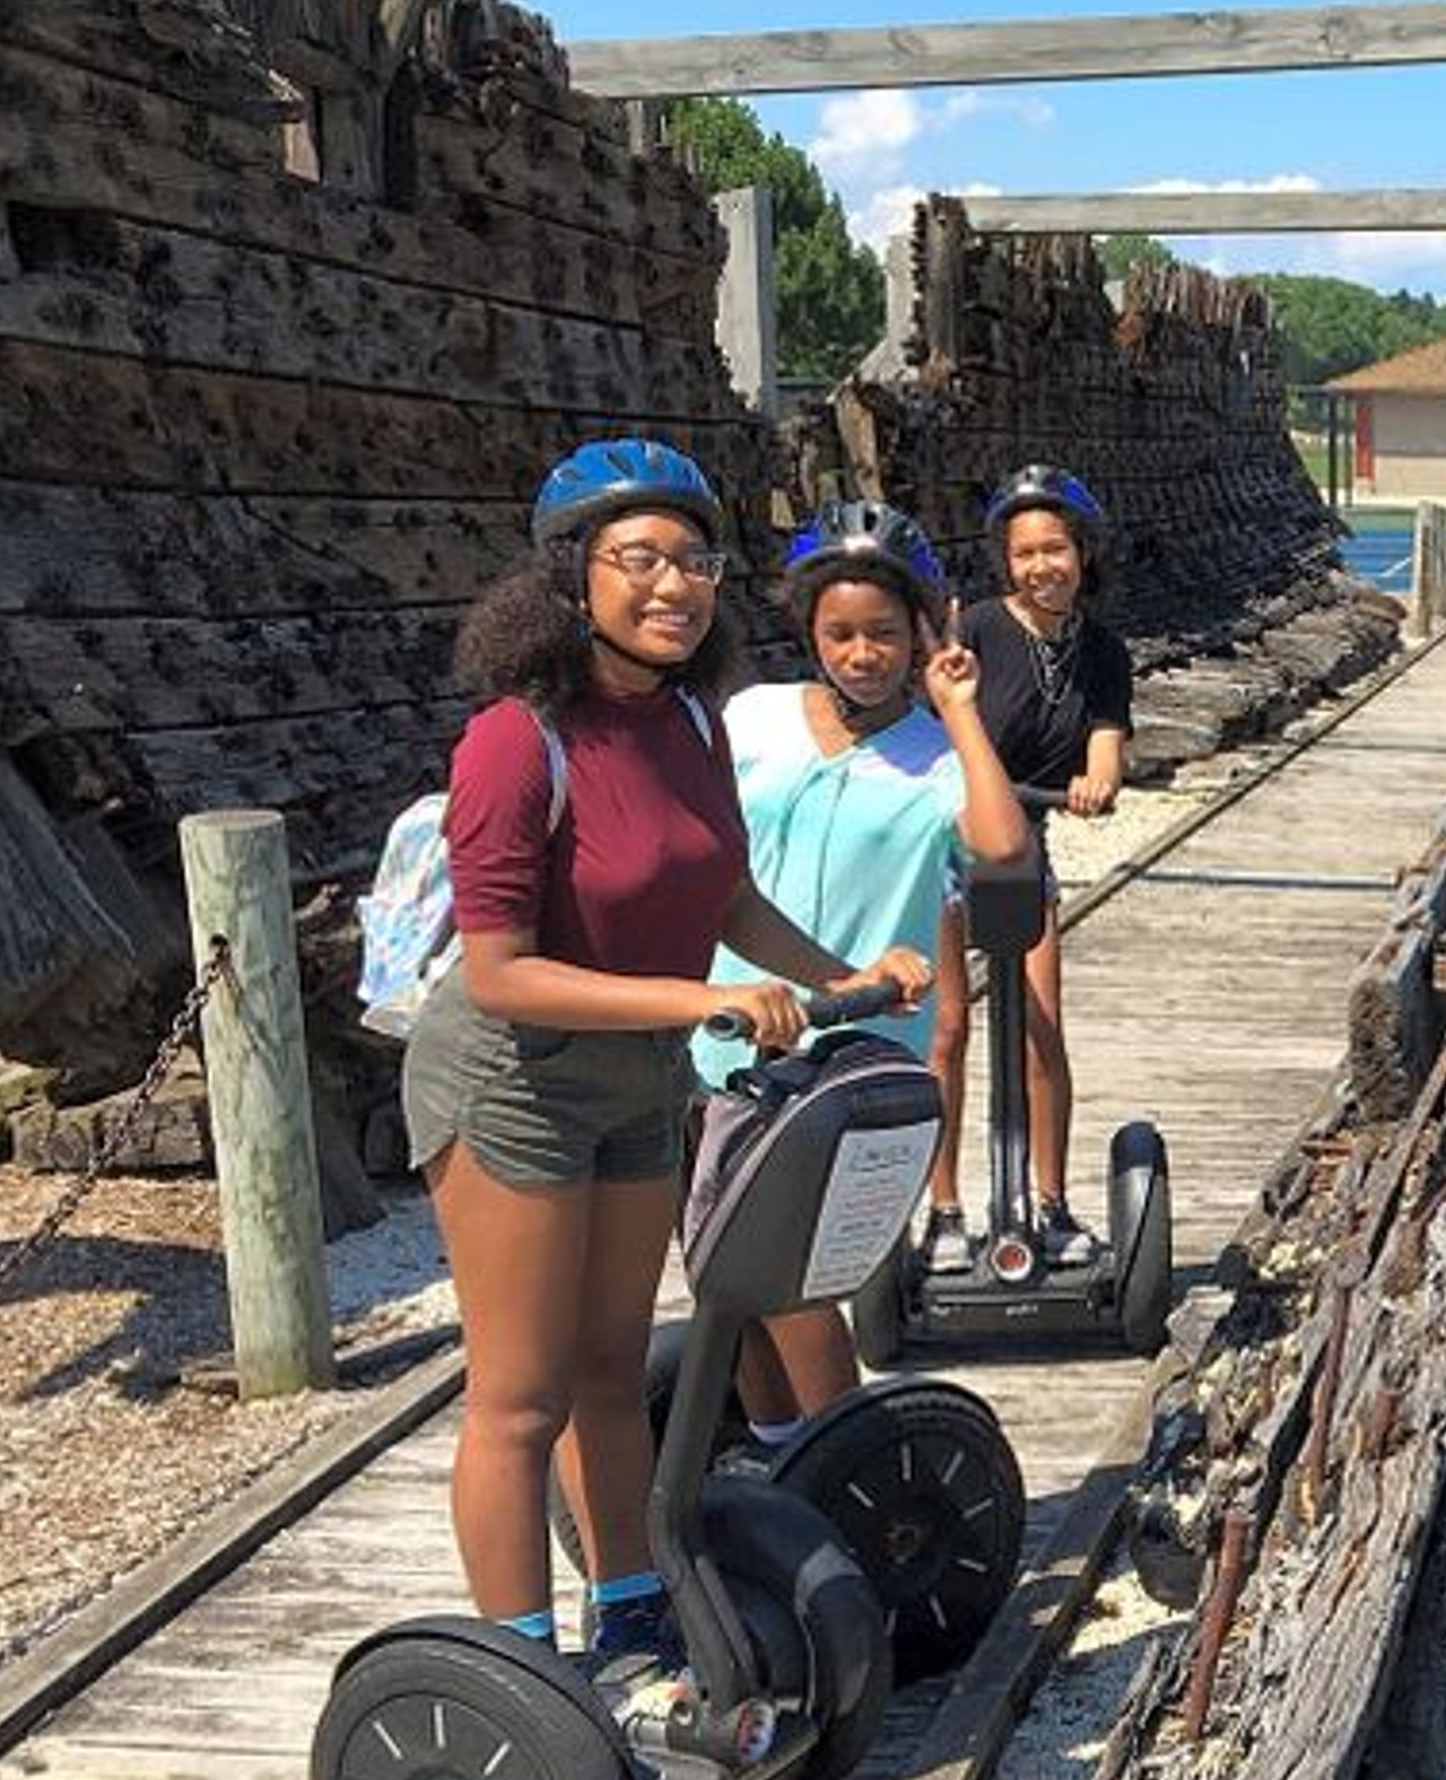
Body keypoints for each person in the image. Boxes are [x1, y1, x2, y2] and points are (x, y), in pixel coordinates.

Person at [402, 439, 927, 1662]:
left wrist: (834, 980)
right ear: (568, 576)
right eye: (638, 559)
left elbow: (726, 898)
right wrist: (696, 1005)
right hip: (512, 1084)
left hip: (635, 1081)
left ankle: (630, 1620)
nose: (674, 586)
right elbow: (500, 972)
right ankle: (523, 1665)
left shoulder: (691, 719)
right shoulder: (513, 742)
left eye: (694, 559)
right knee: (520, 1395)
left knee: (606, 1367)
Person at [691, 498, 1029, 1443]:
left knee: (790, 1284)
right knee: (721, 1280)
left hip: (845, 1059)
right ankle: (775, 1455)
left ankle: (851, 1467)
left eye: (885, 632)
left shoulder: (936, 756)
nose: (862, 653)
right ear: (808, 630)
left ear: (925, 628)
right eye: (839, 632)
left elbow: (1003, 847)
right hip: (715, 1033)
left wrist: (959, 708)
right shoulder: (751, 718)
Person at [947, 462, 1133, 1267]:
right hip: (949, 844)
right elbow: (942, 720)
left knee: (1039, 1027)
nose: (1039, 567)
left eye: (1054, 549)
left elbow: (1106, 741)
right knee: (948, 1028)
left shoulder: (1103, 652)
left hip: (1026, 845)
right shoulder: (980, 631)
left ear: (1082, 553)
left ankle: (1048, 1203)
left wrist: (1097, 783)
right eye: (1023, 554)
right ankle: (946, 1210)